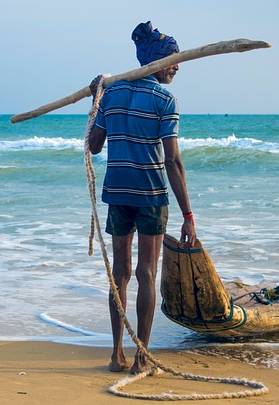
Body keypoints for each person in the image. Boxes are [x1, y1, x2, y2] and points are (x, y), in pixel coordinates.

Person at [88, 21, 197, 374]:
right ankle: (141, 359)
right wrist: (189, 215)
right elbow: (173, 161)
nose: (178, 65)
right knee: (146, 274)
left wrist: (97, 100)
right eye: (174, 59)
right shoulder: (165, 99)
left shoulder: (113, 94)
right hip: (150, 195)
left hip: (117, 193)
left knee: (119, 273)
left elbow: (94, 145)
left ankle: (117, 354)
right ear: (157, 62)